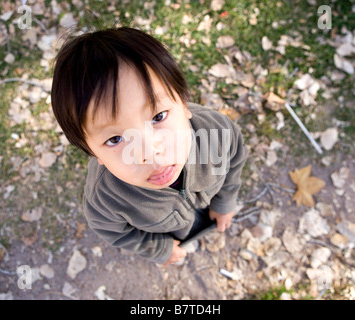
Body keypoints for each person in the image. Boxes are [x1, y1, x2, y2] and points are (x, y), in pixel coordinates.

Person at [51, 27, 249, 266]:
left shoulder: (215, 132)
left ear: (183, 103)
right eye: (115, 139)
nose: (150, 152)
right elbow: (115, 232)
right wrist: (159, 248)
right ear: (93, 152)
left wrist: (225, 201)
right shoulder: (105, 199)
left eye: (158, 117)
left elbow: (235, 156)